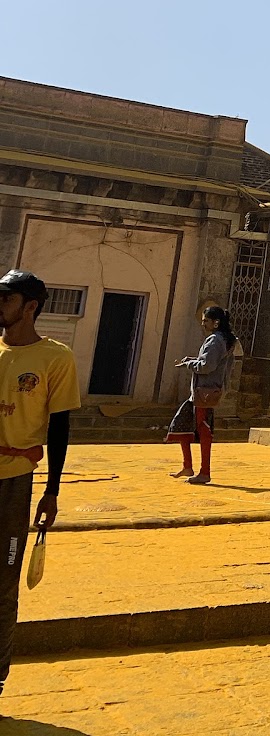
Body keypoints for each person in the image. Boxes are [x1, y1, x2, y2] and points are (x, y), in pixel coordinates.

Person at [0, 270, 79, 706]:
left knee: (3, 584)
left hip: (14, 481)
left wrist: (52, 491)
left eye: (6, 298)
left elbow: (60, 426)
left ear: (30, 307)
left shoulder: (55, 358)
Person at [165, 306, 237, 485]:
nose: (203, 324)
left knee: (202, 428)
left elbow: (207, 366)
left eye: (206, 321)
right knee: (183, 424)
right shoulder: (225, 339)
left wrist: (189, 365)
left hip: (204, 391)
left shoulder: (215, 340)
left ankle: (204, 471)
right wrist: (192, 361)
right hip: (206, 390)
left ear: (216, 323)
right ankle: (187, 466)